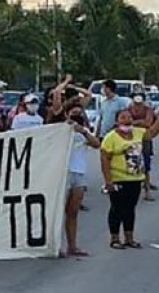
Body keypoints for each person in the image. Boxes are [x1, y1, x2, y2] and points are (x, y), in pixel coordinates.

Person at [101, 109, 159, 249]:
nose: (126, 120)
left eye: (129, 117)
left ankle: (129, 238)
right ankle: (115, 238)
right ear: (117, 121)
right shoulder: (111, 137)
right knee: (117, 208)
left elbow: (151, 133)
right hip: (118, 178)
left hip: (135, 178)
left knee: (130, 209)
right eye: (123, 117)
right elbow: (105, 160)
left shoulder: (138, 132)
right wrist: (108, 181)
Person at [64, 101, 100, 256]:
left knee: (73, 212)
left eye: (79, 113)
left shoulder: (84, 131)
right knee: (57, 211)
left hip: (78, 173)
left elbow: (96, 144)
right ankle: (55, 245)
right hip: (62, 173)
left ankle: (72, 246)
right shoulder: (61, 129)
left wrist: (83, 131)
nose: (77, 116)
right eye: (74, 113)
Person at [128, 91, 156, 201]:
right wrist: (140, 122)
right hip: (131, 139)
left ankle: (147, 190)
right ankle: (132, 190)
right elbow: (126, 122)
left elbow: (148, 123)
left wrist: (134, 122)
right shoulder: (128, 109)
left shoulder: (148, 110)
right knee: (132, 164)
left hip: (144, 139)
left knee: (146, 165)